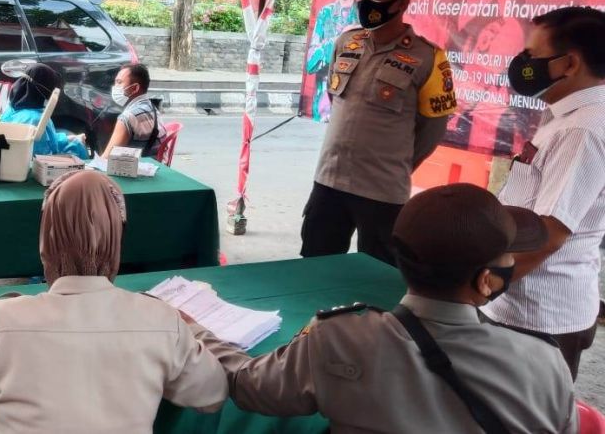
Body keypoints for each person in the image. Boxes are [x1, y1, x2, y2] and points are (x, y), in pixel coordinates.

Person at [185, 184, 576, 433]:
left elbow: (247, 386)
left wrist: (191, 328)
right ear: (485, 280)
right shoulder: (544, 362)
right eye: (508, 255)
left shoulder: (338, 338)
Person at [0, 171, 227, 432]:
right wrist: (191, 328)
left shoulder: (2, 320)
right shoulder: (160, 319)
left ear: (47, 237)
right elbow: (211, 393)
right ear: (116, 238)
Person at [300, 0, 457, 265]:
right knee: (314, 264)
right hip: (329, 180)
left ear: (403, 2)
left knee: (377, 274)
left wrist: (397, 165)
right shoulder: (348, 41)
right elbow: (340, 103)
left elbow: (433, 128)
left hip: (382, 190)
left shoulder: (428, 57)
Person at [481, 6, 605, 380]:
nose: (523, 65)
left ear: (569, 64)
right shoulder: (567, 116)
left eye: (533, 57)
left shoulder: (582, 130)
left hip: (539, 314)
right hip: (522, 304)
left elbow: (549, 233)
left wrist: (479, 288)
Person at [306, 0, 364, 121]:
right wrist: (338, 40)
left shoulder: (363, 15)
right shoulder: (326, 13)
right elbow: (310, 63)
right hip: (322, 108)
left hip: (350, 109)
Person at [0, 63, 88, 159]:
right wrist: (77, 144)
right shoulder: (36, 119)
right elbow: (43, 159)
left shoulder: (11, 110)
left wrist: (68, 139)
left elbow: (45, 140)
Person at [102, 63, 167, 158]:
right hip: (153, 164)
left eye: (119, 82)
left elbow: (106, 159)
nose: (114, 87)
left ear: (134, 88)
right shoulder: (151, 107)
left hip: (134, 169)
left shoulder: (127, 117)